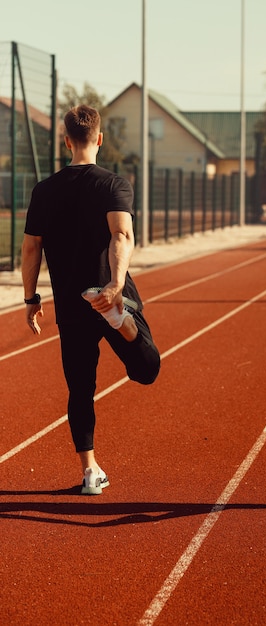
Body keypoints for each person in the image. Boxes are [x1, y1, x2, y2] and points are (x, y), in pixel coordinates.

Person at [21, 105, 161, 495]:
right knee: (147, 370)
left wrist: (31, 298)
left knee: (80, 389)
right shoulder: (114, 184)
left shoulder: (44, 191)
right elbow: (122, 236)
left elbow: (31, 249)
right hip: (111, 297)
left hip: (71, 303)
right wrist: (116, 286)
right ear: (99, 139)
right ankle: (123, 322)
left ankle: (90, 472)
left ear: (66, 141)